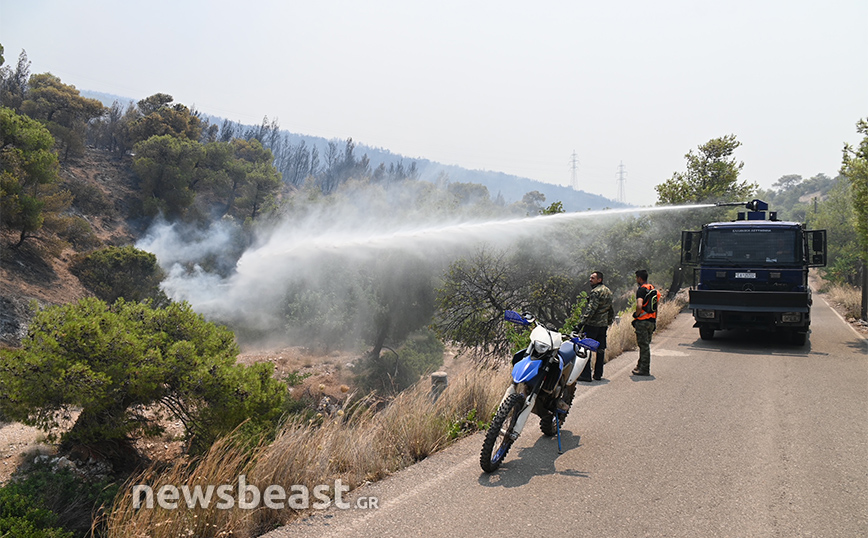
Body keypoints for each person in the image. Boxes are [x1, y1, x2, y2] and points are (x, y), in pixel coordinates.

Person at [575, 271, 615, 381]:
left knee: (585, 348)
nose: (590, 280)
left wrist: (581, 324)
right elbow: (610, 309)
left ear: (599, 279)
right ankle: (598, 374)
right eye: (590, 278)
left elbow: (591, 310)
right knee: (600, 350)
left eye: (593, 278)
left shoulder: (595, 292)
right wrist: (609, 321)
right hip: (603, 325)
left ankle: (586, 375)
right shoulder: (608, 291)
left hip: (592, 325)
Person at [632, 269, 657, 376]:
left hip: (642, 321)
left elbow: (639, 305)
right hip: (651, 321)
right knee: (645, 345)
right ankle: (640, 365)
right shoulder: (652, 289)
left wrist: (636, 315)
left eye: (636, 278)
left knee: (644, 346)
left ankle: (644, 369)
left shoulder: (641, 290)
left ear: (640, 278)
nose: (636, 280)